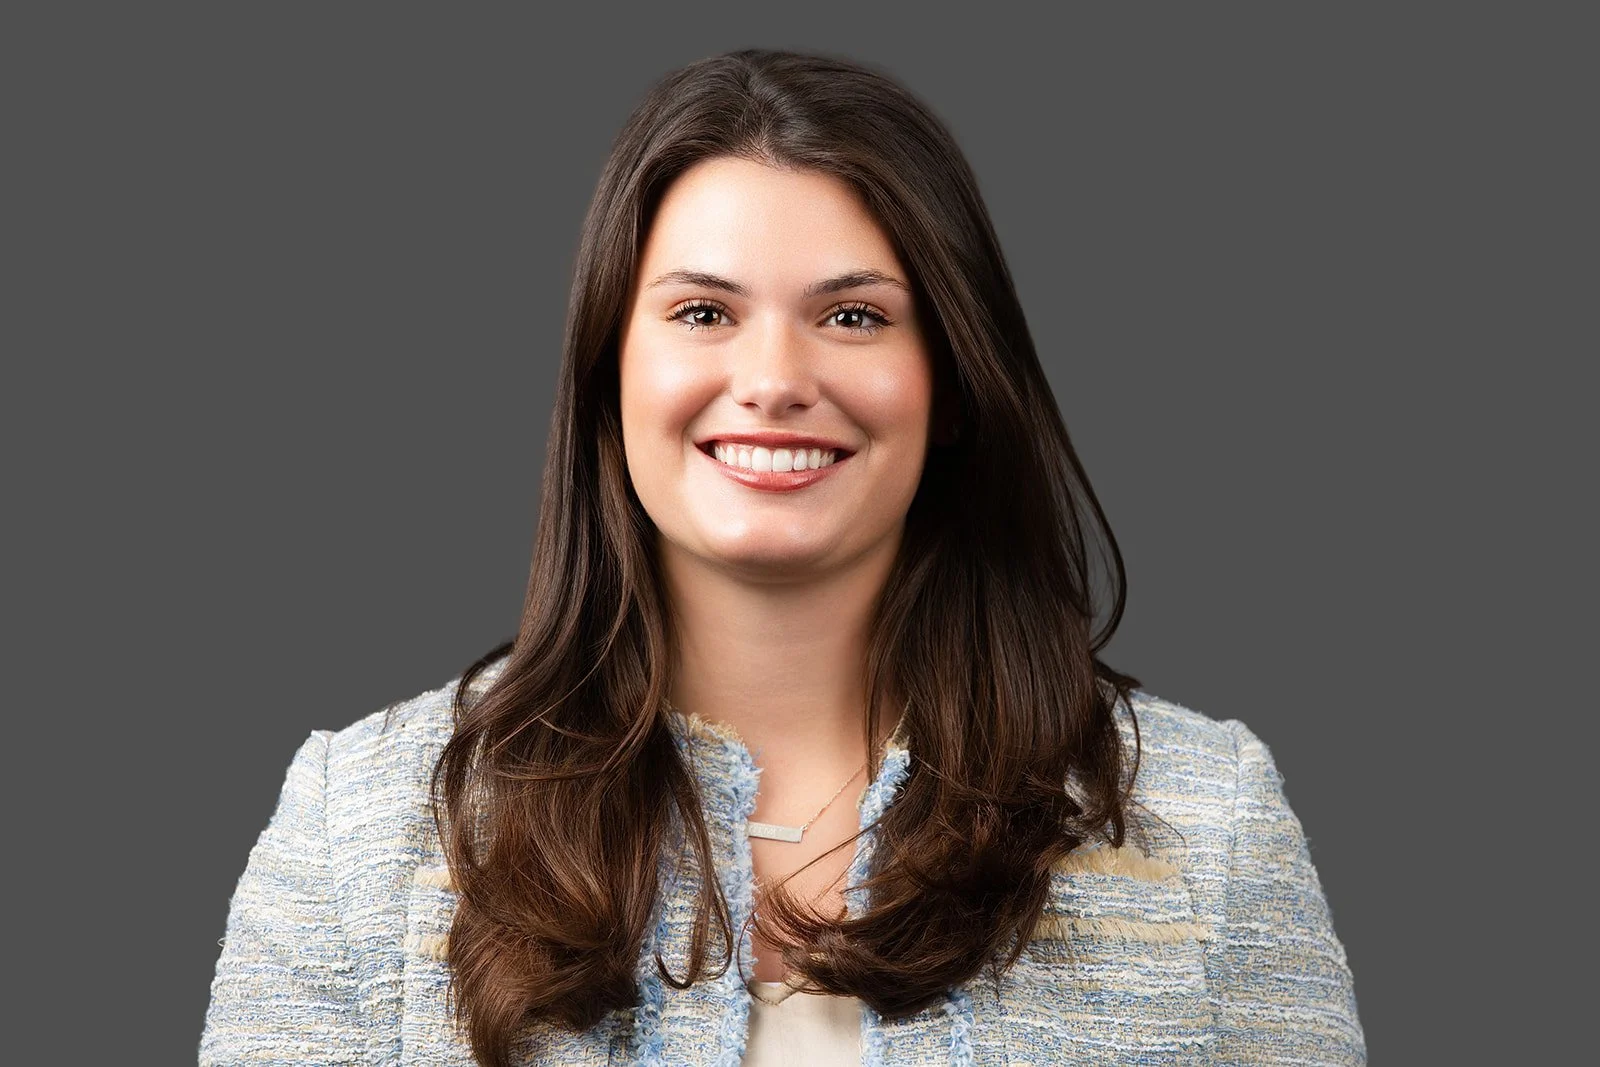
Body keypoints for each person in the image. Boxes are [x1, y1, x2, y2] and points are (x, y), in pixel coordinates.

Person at [200, 48, 1364, 1066]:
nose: (774, 378)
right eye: (703, 313)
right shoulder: (360, 825)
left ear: (949, 382)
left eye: (852, 315)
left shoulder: (1203, 820)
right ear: (611, 372)